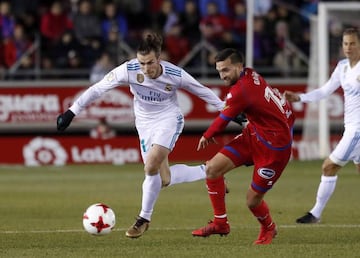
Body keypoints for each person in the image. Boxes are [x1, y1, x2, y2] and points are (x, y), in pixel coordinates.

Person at [56, 32, 226, 238]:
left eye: (150, 63)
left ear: (159, 58)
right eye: (142, 63)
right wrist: (71, 112)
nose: (146, 69)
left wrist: (228, 110)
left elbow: (203, 91)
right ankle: (207, 171)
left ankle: (143, 219)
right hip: (144, 123)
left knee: (151, 165)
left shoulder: (175, 74)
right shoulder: (128, 70)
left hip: (168, 119)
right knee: (164, 179)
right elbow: (98, 89)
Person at [191, 48, 295, 245]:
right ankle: (221, 223)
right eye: (219, 71)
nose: (222, 76)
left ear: (239, 67)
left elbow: (223, 119)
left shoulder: (241, 90)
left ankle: (269, 228)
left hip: (274, 150)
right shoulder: (251, 74)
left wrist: (207, 135)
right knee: (212, 169)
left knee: (252, 200)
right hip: (254, 135)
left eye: (226, 70)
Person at [284, 28, 360, 224]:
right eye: (345, 44)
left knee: (328, 166)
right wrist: (300, 97)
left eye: (352, 43)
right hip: (351, 127)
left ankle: (315, 214)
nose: (348, 48)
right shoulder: (343, 67)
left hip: (357, 131)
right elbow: (325, 91)